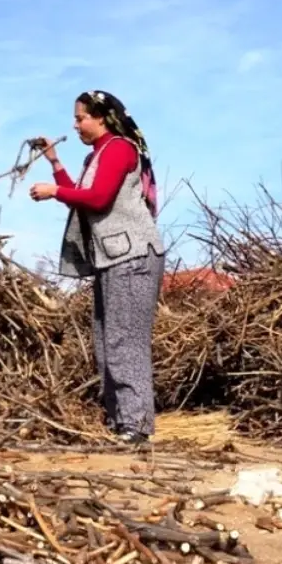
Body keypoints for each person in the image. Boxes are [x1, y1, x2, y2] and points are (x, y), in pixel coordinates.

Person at [28, 90, 166, 445]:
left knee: (125, 341)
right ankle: (121, 422)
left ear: (101, 118)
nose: (74, 125)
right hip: (113, 258)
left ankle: (136, 427)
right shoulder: (97, 156)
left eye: (80, 118)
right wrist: (55, 164)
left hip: (133, 256)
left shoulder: (119, 148)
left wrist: (53, 192)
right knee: (106, 342)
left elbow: (100, 198)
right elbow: (82, 198)